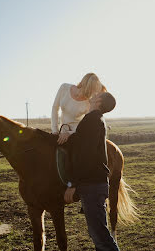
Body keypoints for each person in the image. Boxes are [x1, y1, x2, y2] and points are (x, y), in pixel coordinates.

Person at [63, 92, 120, 251]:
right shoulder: (96, 120)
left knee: (101, 237)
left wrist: (72, 183)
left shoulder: (92, 120)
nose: (94, 95)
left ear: (99, 101)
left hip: (91, 185)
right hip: (95, 184)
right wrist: (70, 135)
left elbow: (84, 155)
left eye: (97, 94)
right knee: (99, 234)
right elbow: (85, 143)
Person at [51, 73, 106, 145]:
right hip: (62, 129)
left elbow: (86, 124)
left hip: (76, 133)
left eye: (94, 90)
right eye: (92, 89)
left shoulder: (89, 103)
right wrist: (55, 130)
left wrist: (69, 133)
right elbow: (55, 108)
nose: (92, 94)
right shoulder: (64, 87)